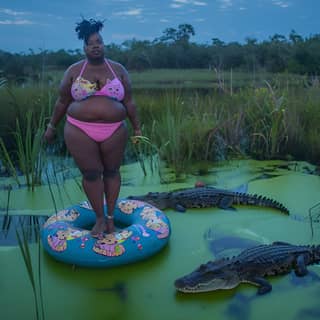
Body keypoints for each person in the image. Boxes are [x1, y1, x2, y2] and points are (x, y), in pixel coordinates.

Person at [44, 18, 141, 236]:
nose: (96, 45)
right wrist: (51, 126)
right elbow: (62, 101)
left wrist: (137, 128)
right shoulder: (74, 71)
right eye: (91, 43)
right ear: (84, 47)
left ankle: (110, 218)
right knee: (90, 173)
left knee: (112, 171)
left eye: (99, 41)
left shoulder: (118, 70)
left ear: (104, 44)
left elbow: (130, 102)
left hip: (115, 129)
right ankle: (98, 218)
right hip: (79, 129)